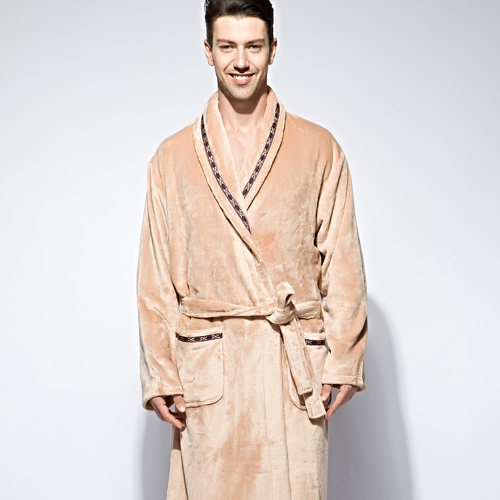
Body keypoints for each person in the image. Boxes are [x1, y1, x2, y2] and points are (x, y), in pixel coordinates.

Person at [136, 0, 368, 498]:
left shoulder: (319, 148)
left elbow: (343, 262)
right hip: (209, 371)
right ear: (208, 50)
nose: (240, 61)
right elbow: (154, 278)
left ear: (272, 49)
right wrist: (160, 372)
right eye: (227, 46)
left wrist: (344, 359)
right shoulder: (171, 158)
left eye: (253, 46)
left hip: (291, 369)